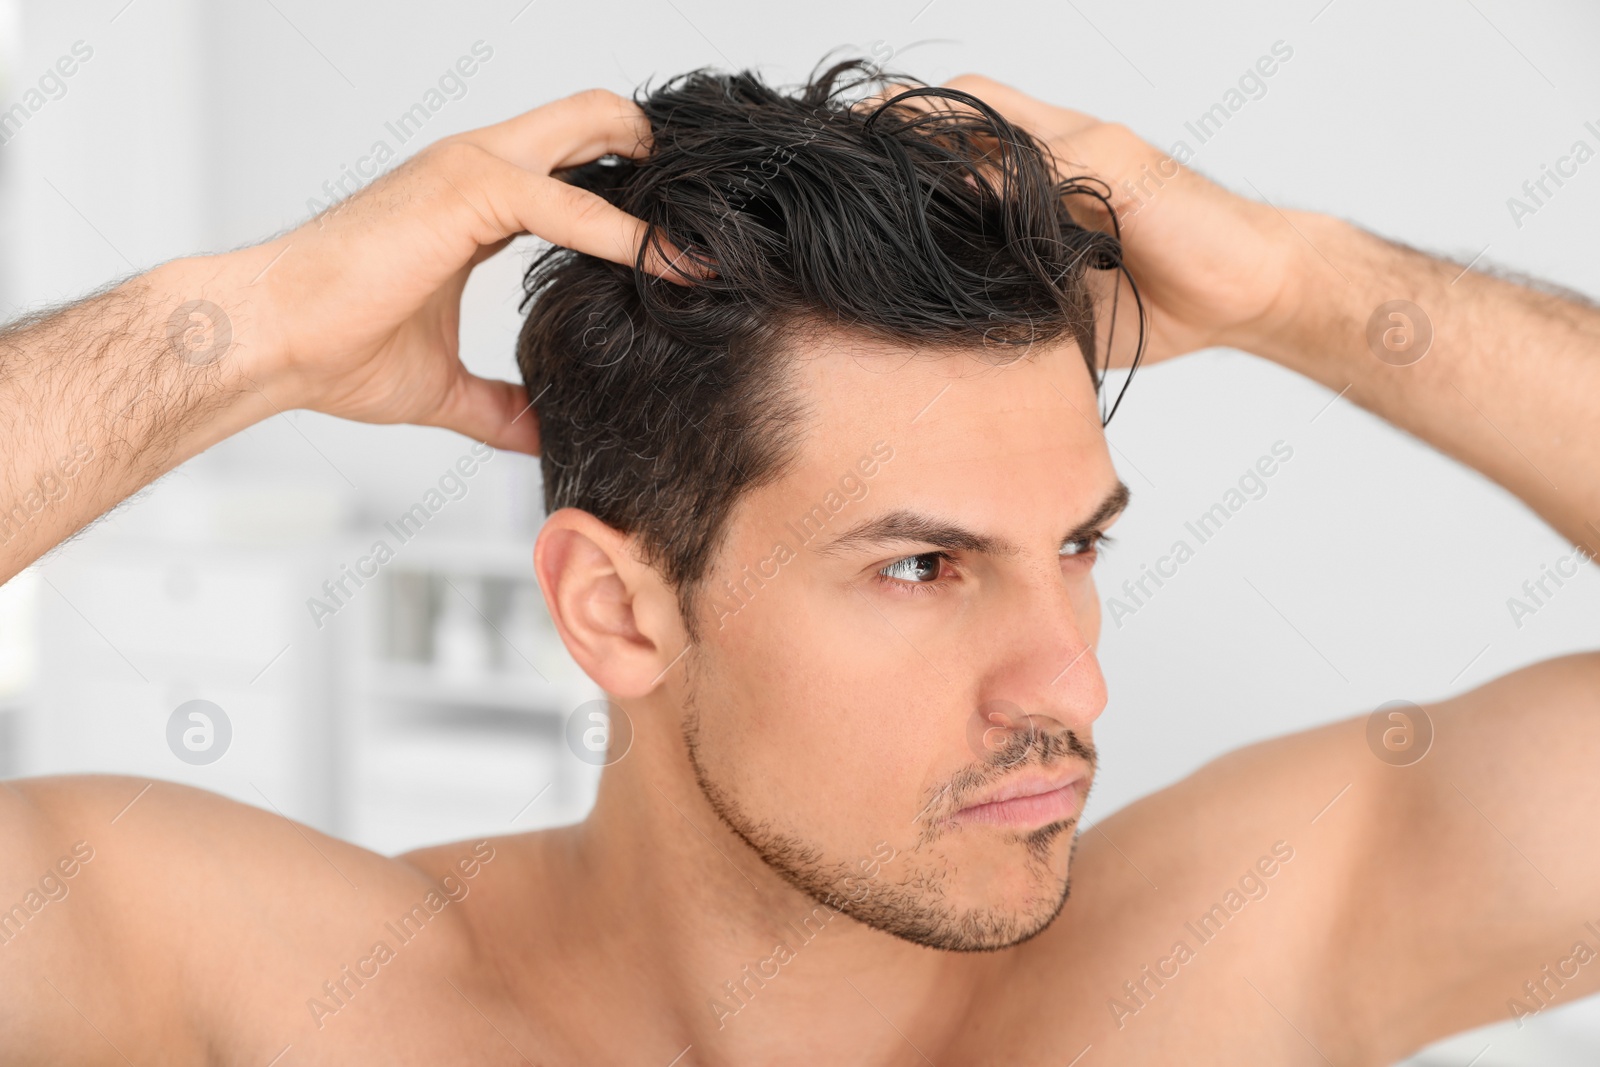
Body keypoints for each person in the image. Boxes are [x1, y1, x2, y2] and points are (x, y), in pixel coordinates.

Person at [1, 57, 1597, 1066]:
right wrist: (243, 329)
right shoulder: (256, 991)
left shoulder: (1233, 969)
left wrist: (1303, 289)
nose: (1074, 681)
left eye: (1077, 550)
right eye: (921, 567)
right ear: (615, 610)